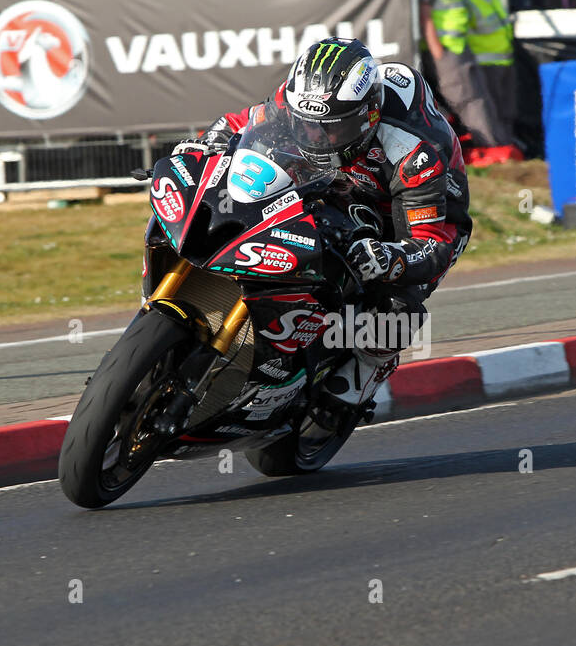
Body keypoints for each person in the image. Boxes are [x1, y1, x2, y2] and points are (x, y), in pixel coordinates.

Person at [173, 38, 472, 411]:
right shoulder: (296, 100)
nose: (316, 136)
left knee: (396, 303)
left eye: (332, 128)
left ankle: (370, 366)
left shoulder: (412, 152)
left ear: (369, 116)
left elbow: (432, 242)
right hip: (336, 183)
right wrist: (208, 144)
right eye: (307, 124)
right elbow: (243, 122)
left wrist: (392, 258)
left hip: (413, 214)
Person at [419, 0, 520, 164]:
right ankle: (493, 151)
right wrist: (437, 50)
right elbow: (425, 13)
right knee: (470, 101)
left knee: (480, 99)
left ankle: (500, 148)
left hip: (460, 46)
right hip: (446, 49)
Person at [460, 0, 518, 146]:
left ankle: (508, 150)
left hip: (503, 59)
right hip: (485, 62)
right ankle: (499, 151)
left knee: (507, 111)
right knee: (493, 112)